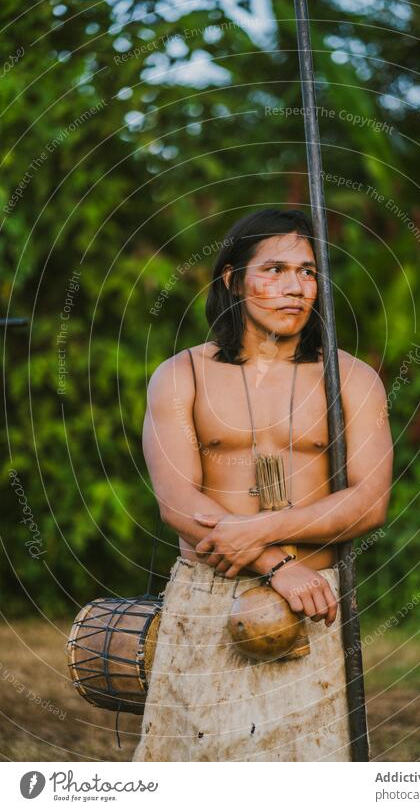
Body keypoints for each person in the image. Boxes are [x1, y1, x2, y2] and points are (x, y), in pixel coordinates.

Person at [132, 208, 393, 762]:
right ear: (232, 279)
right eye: (274, 269)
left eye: (307, 271)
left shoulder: (351, 377)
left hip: (314, 597)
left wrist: (266, 534)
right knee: (197, 772)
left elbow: (370, 501)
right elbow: (177, 501)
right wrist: (276, 564)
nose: (295, 287)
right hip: (208, 597)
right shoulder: (182, 375)